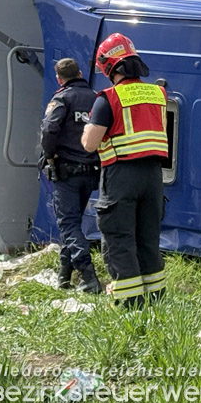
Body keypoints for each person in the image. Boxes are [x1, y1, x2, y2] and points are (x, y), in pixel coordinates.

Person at [81, 33, 168, 309]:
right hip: (153, 177)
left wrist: (86, 128)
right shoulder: (158, 93)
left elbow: (90, 144)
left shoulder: (108, 98)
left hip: (121, 175)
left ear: (109, 66)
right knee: (148, 239)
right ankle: (155, 302)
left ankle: (130, 306)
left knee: (120, 240)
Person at [40, 58, 102, 293]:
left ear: (59, 79)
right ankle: (64, 277)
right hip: (91, 171)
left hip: (66, 172)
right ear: (80, 73)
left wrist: (49, 156)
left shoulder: (62, 98)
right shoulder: (96, 98)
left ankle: (89, 276)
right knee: (73, 222)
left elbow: (48, 129)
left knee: (68, 224)